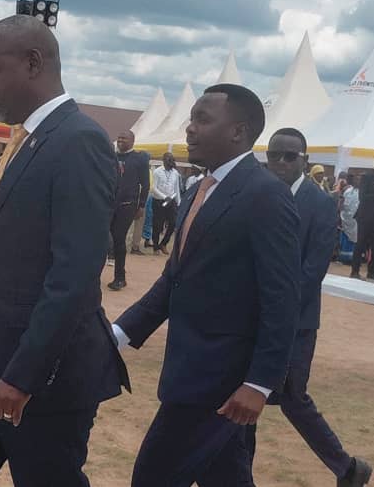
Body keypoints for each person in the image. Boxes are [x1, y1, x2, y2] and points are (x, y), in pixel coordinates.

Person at [0, 16, 128, 487]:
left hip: (42, 379)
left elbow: (73, 276)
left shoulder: (79, 141)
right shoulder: (25, 140)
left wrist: (23, 376)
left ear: (33, 64)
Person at [113, 84, 299, 486]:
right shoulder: (199, 189)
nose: (190, 129)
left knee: (152, 477)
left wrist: (259, 383)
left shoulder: (266, 196)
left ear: (238, 132)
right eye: (191, 119)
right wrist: (117, 334)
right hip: (191, 372)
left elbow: (282, 300)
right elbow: (173, 282)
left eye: (202, 119)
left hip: (222, 382)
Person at [253, 127, 373, 486]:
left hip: (295, 322)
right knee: (245, 396)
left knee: (292, 397)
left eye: (291, 156)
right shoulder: (257, 196)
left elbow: (311, 272)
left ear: (305, 160)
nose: (282, 162)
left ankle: (348, 469)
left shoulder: (320, 204)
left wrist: (276, 315)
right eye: (275, 155)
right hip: (251, 319)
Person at [108, 130, 150, 291]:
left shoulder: (139, 159)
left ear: (132, 141)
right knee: (102, 239)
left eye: (123, 138)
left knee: (119, 239)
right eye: (118, 138)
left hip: (127, 205)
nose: (120, 140)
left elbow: (145, 185)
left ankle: (120, 278)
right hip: (108, 204)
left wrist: (141, 205)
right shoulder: (111, 157)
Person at [150, 152, 181, 255]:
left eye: (172, 160)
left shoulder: (175, 173)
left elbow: (176, 188)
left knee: (173, 223)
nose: (171, 162)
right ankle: (155, 246)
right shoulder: (157, 172)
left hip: (171, 201)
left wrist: (179, 202)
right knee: (157, 225)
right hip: (159, 201)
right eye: (169, 160)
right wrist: (164, 197)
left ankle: (163, 243)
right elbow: (154, 188)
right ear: (164, 160)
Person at [338, 174, 360, 264]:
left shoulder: (363, 192)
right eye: (356, 180)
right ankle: (343, 258)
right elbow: (342, 205)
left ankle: (352, 259)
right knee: (345, 238)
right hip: (346, 219)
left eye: (359, 180)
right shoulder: (347, 191)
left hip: (356, 221)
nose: (356, 181)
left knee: (354, 239)